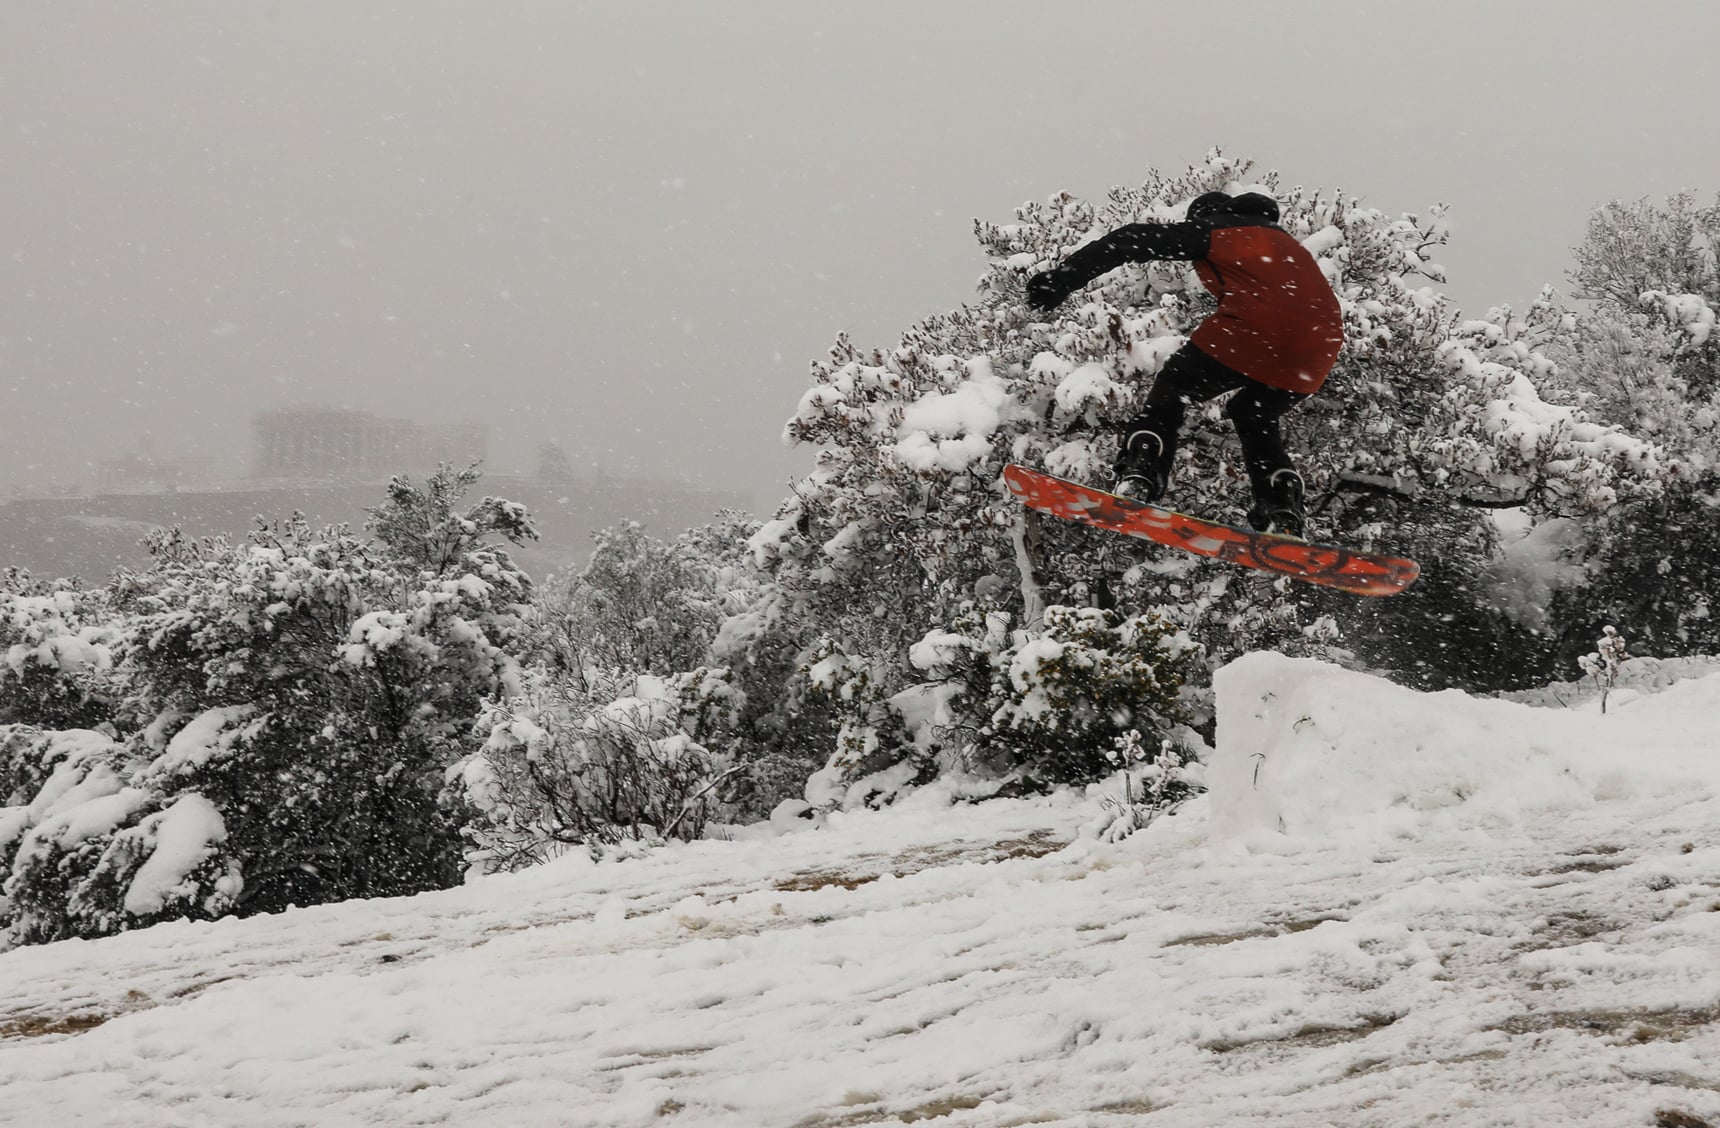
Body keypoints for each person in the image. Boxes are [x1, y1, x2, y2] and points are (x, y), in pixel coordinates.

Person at [1025, 190, 1344, 538]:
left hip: (1255, 330)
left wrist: (1062, 279)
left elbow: (1129, 240)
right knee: (1254, 413)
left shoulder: (1214, 231)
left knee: (1173, 390)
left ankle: (1140, 474)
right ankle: (1281, 505)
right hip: (1318, 347)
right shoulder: (1284, 243)